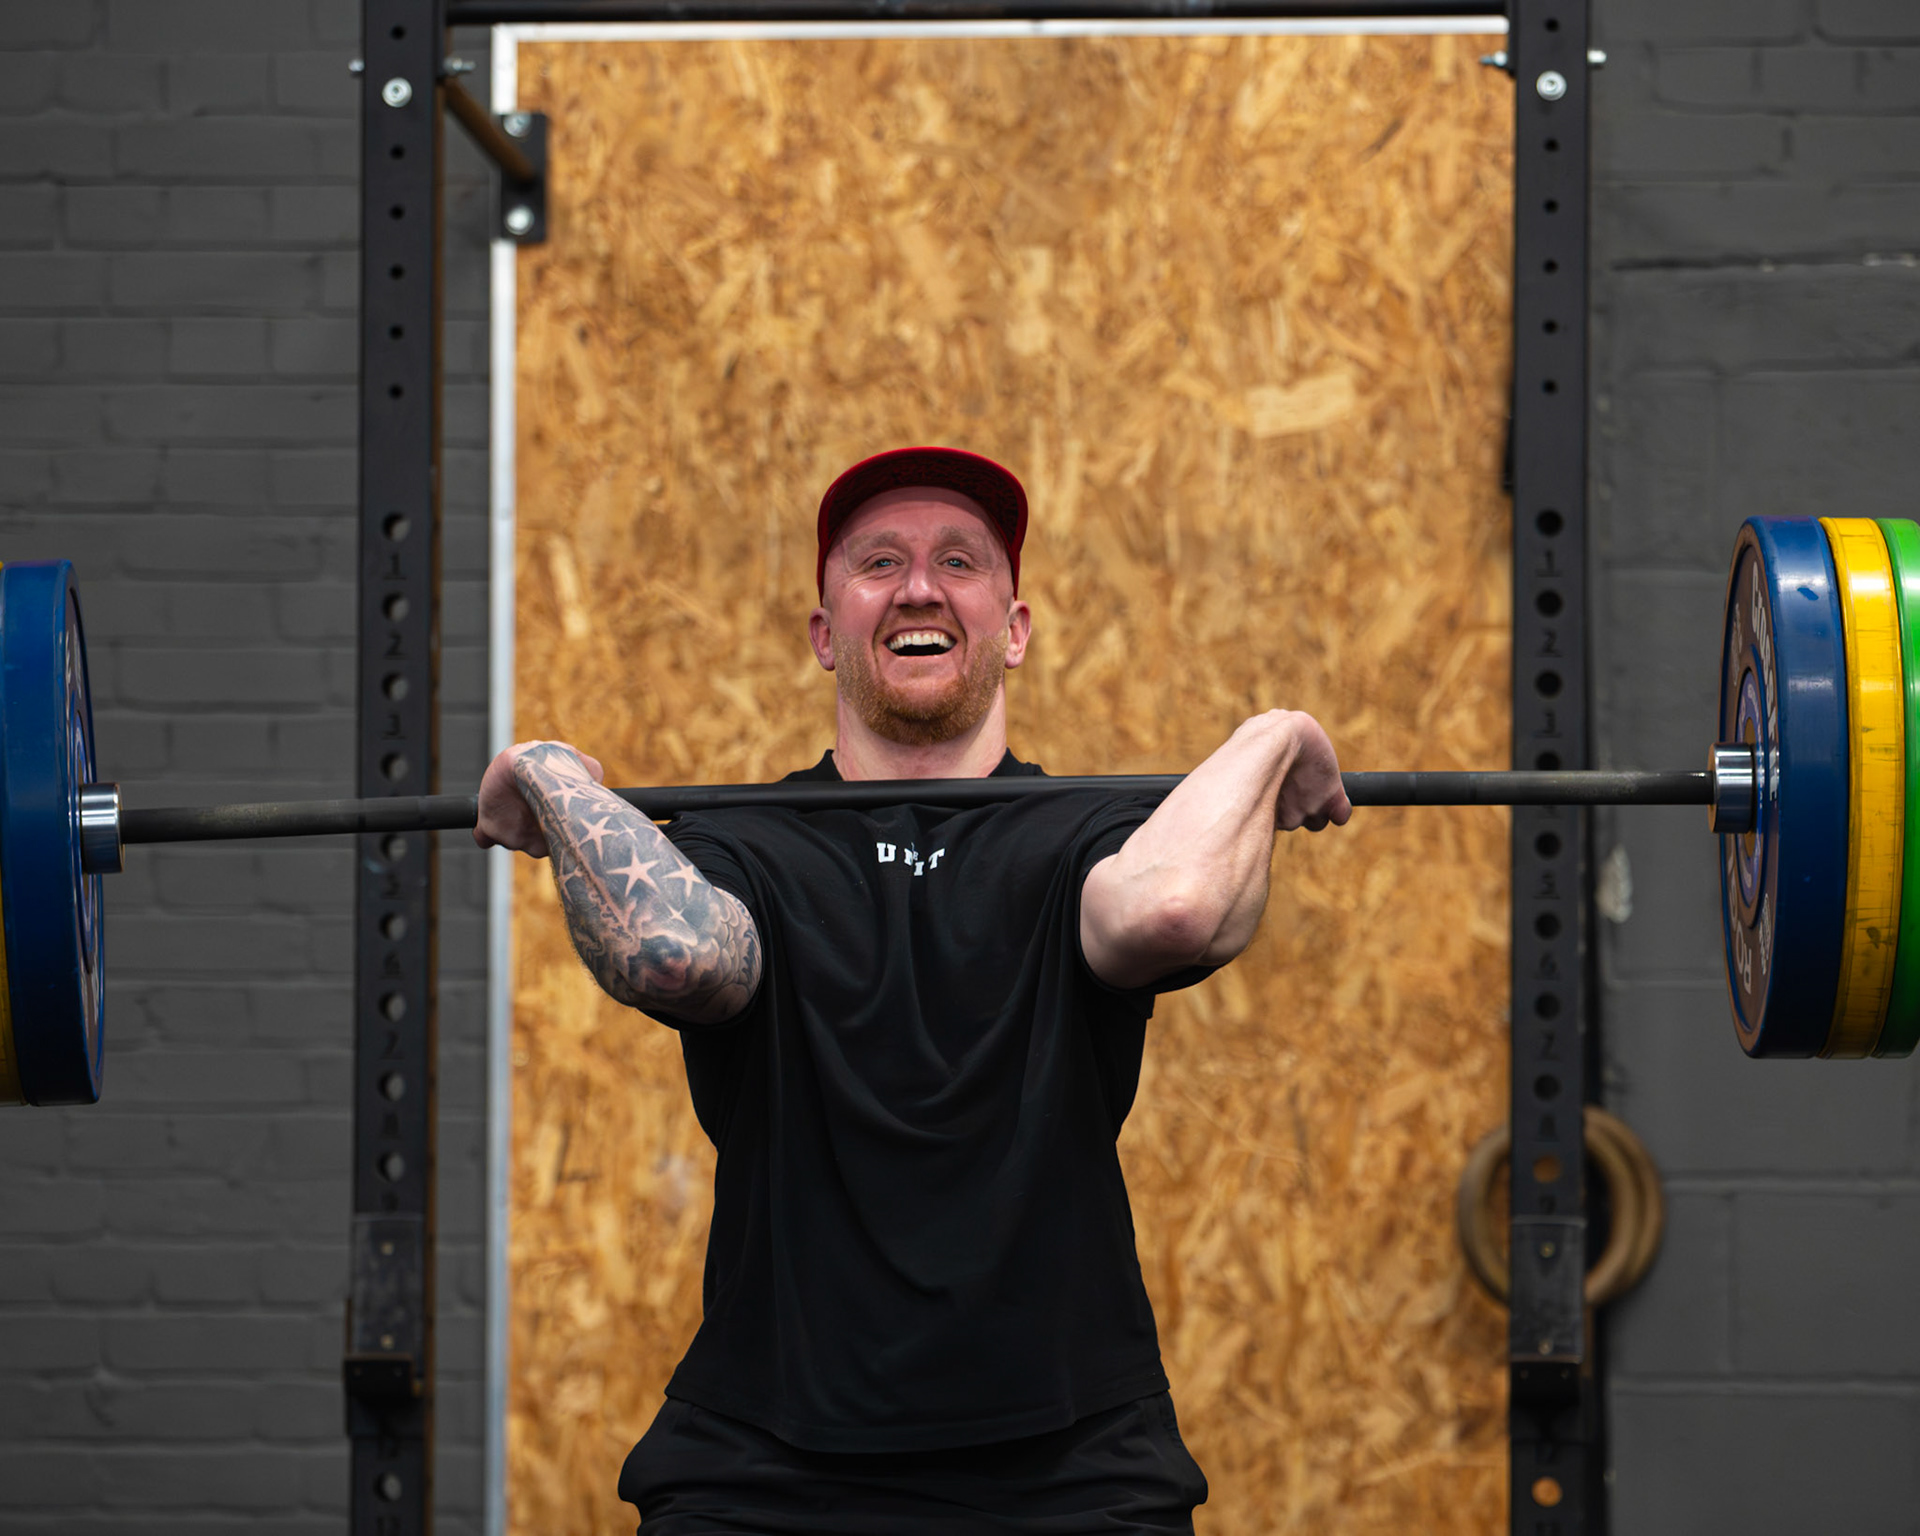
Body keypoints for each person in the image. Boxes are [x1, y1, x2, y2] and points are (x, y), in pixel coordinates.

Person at [474, 446, 1352, 1534]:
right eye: (879, 562)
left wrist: (1275, 734)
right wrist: (548, 769)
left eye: (959, 562)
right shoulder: (747, 844)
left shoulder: (1087, 834)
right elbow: (671, 952)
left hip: (1070, 1463)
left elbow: (1172, 910)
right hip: (767, 1464)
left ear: (1014, 630)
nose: (920, 588)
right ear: (824, 633)